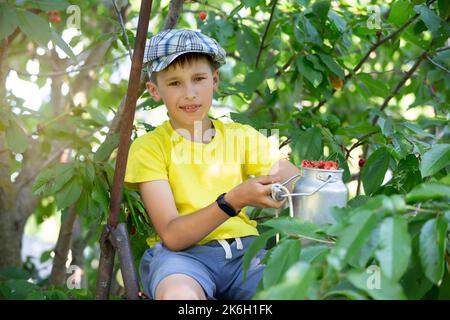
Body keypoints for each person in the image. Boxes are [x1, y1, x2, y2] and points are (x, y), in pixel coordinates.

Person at [125, 29, 300, 300]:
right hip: (182, 261)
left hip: (245, 256)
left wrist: (296, 184)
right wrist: (233, 200)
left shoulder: (241, 137)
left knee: (300, 292)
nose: (190, 93)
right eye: (174, 83)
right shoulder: (150, 148)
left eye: (198, 79)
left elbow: (294, 181)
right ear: (154, 90)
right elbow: (172, 235)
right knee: (178, 297)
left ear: (215, 80)